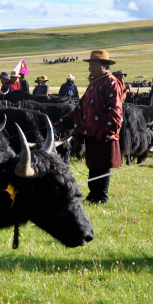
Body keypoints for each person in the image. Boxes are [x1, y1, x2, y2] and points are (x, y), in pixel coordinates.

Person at [58, 50, 123, 203]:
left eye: (94, 64)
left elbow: (115, 109)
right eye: (90, 64)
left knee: (102, 165)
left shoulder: (112, 82)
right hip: (92, 132)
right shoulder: (94, 83)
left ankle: (101, 197)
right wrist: (65, 121)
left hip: (104, 133)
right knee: (93, 165)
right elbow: (81, 107)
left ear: (104, 66)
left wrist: (108, 131)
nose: (90, 67)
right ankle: (93, 195)